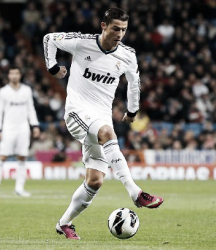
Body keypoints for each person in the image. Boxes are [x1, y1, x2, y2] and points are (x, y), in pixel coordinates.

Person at [43, 8, 164, 240]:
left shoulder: (127, 55)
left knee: (95, 181)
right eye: (116, 28)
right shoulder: (82, 43)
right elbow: (49, 39)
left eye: (124, 30)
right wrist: (52, 67)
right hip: (77, 112)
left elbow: (134, 83)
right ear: (103, 26)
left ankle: (64, 223)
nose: (120, 33)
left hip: (100, 118)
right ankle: (135, 192)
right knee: (107, 132)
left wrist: (132, 110)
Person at [0, 66, 40, 197]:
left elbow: (30, 109)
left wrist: (35, 126)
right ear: (9, 76)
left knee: (22, 157)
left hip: (23, 128)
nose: (14, 76)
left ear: (20, 75)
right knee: (2, 156)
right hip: (8, 128)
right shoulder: (3, 91)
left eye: (16, 73)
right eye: (12, 73)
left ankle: (19, 188)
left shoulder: (26, 90)